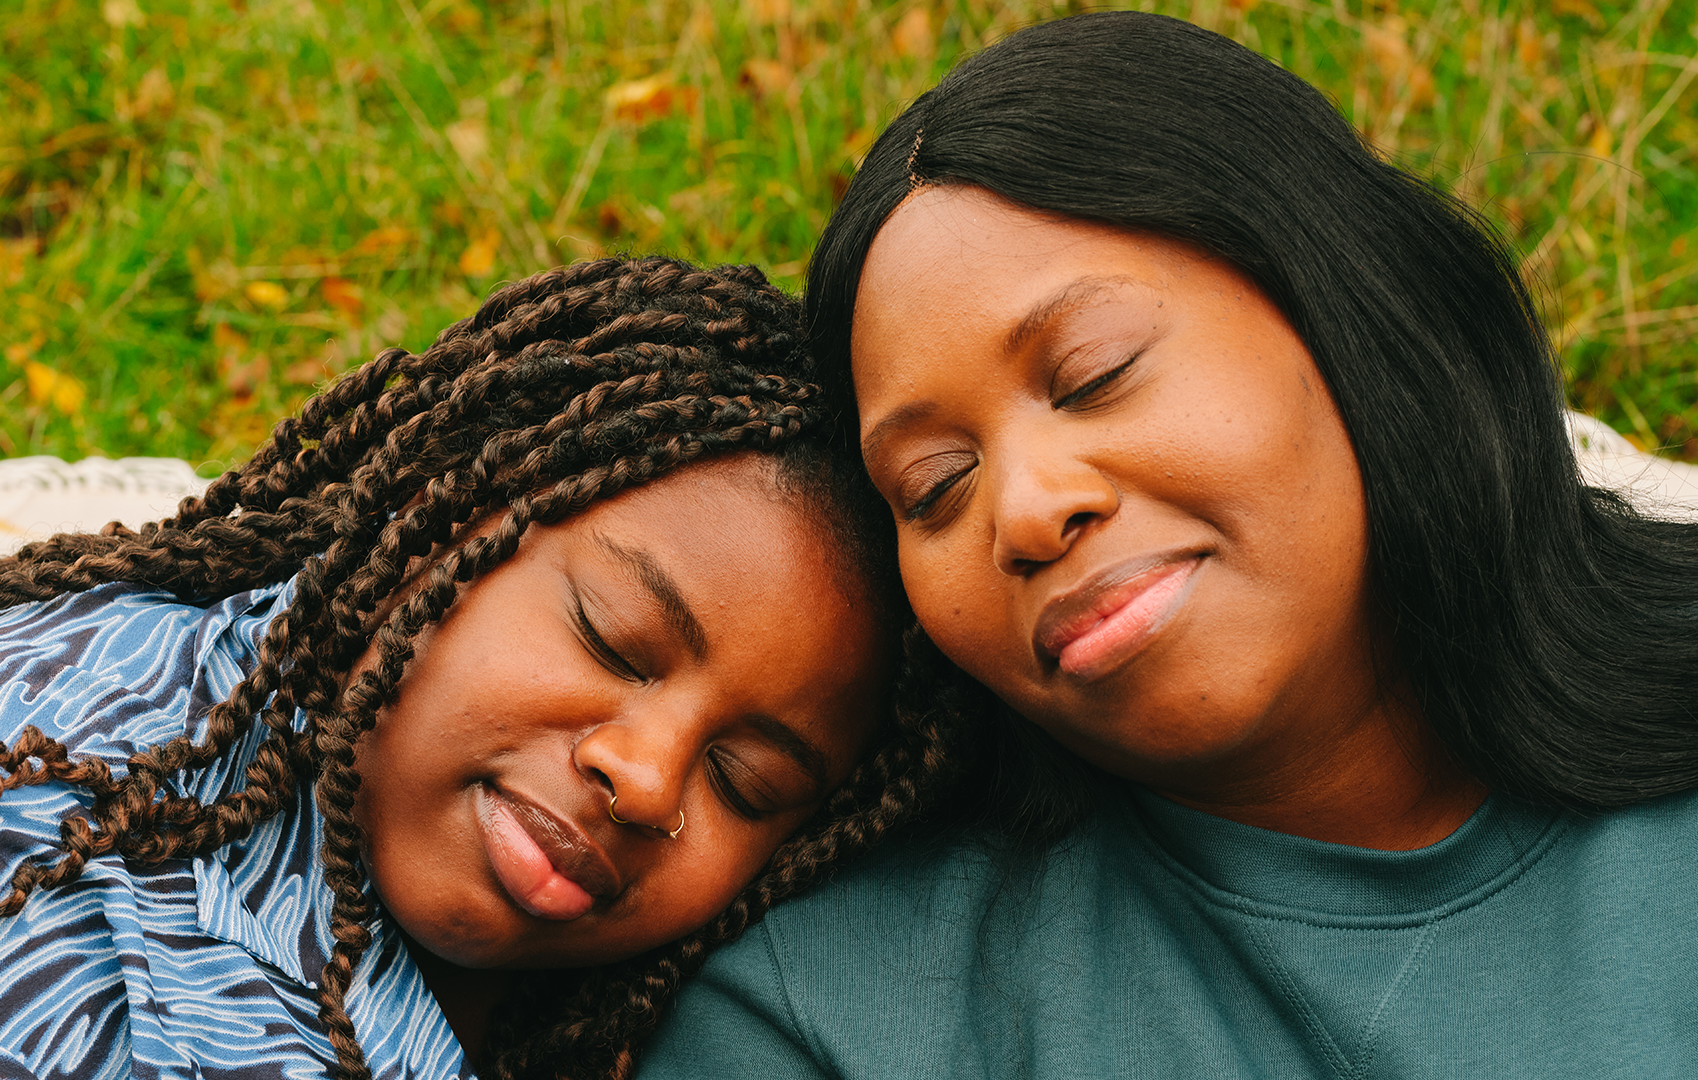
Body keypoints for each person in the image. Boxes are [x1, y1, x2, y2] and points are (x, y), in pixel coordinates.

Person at [638, 12, 1698, 1078]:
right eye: (934, 487)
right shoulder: (819, 1026)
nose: (1025, 512)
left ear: (1346, 310)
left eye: (1094, 373)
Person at [0, 257, 957, 1080]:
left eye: (746, 782)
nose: (645, 779)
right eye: (610, 638)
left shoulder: (638, 1012)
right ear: (444, 530)